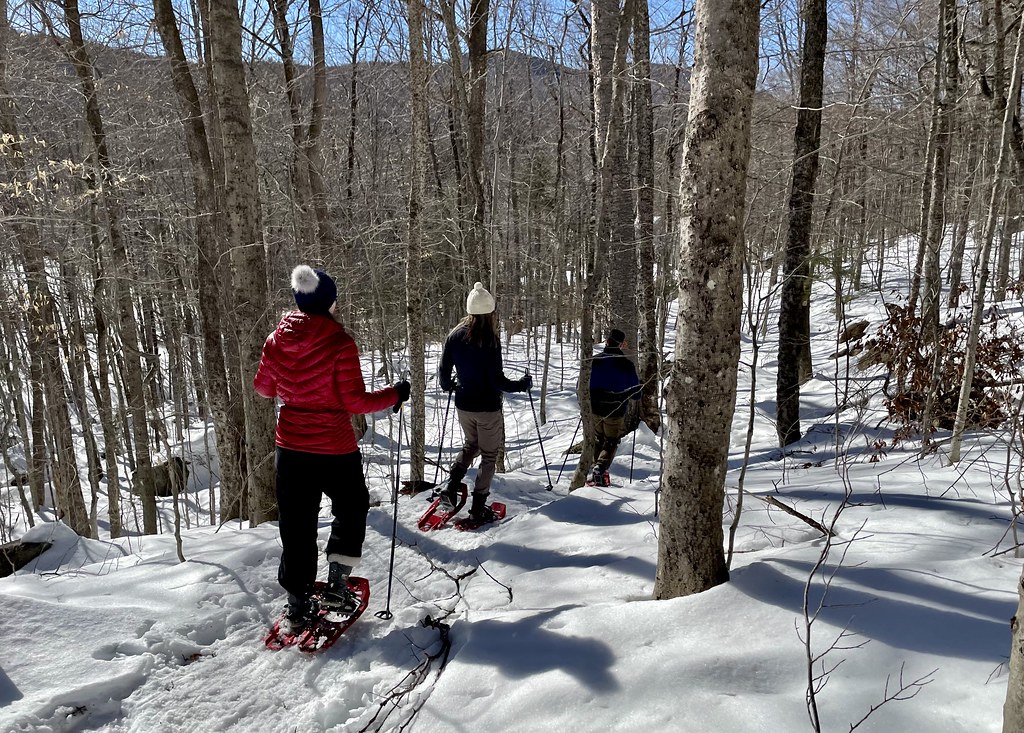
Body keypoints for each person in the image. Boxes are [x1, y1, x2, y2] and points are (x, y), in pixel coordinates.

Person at [254, 265, 410, 634]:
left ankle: (297, 604)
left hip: (290, 448)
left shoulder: (276, 339)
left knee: (296, 525)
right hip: (334, 448)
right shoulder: (340, 342)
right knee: (351, 508)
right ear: (329, 302)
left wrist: (294, 386)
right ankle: (338, 585)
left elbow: (264, 389)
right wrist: (395, 394)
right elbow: (355, 402)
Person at [438, 282, 531, 522]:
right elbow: (497, 380)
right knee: (489, 455)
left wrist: (450, 385)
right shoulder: (490, 340)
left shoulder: (454, 335)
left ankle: (451, 485)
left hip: (464, 404)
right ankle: (478, 507)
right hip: (487, 407)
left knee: (471, 445)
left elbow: (444, 370)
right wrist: (521, 384)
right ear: (489, 312)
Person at [587, 327, 641, 487]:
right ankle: (600, 469)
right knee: (610, 441)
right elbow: (636, 393)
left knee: (598, 439)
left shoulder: (595, 361)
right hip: (615, 409)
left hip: (595, 407)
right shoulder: (626, 364)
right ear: (622, 345)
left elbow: (584, 384)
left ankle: (596, 472)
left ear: (607, 341)